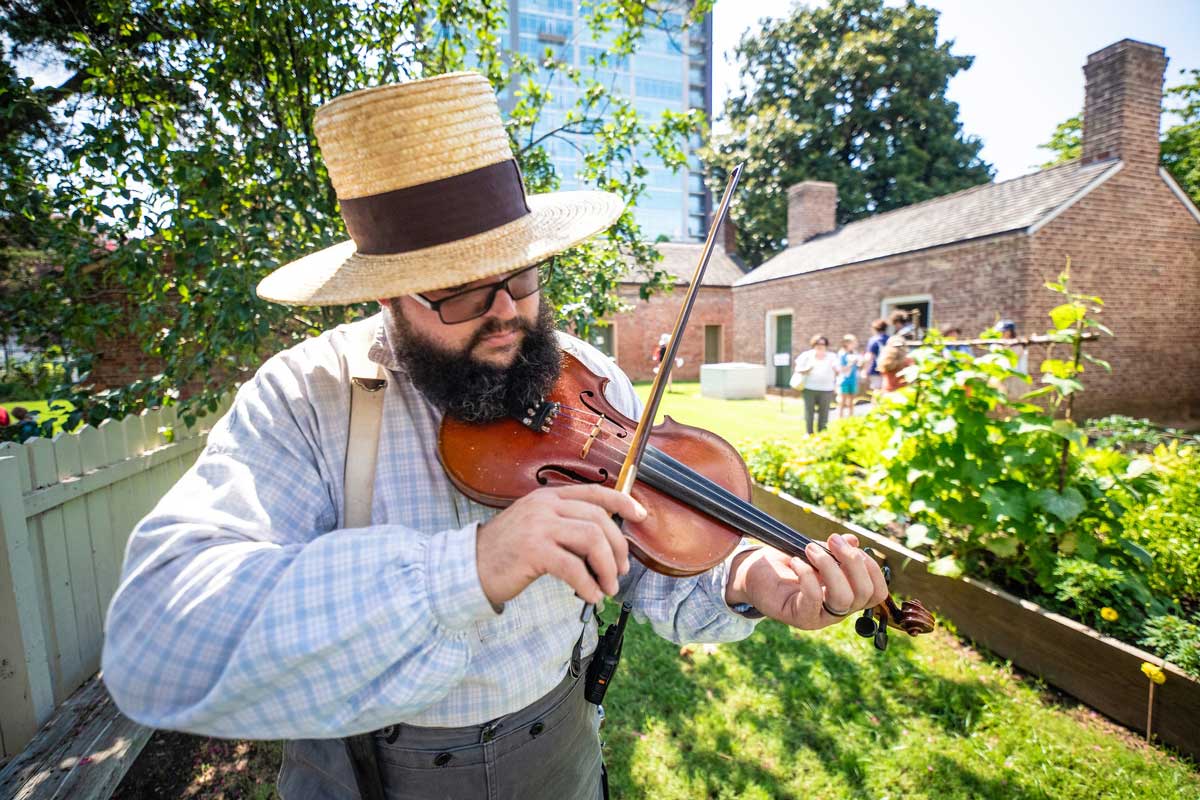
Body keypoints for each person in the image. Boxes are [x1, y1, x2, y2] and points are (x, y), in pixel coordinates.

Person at [101, 73, 888, 800]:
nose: (508, 310)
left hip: (564, 754)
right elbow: (158, 643)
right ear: (387, 296)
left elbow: (647, 558)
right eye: (458, 289)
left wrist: (749, 578)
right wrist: (471, 566)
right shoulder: (306, 395)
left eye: (521, 272)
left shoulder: (584, 374)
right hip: (375, 777)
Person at [791, 334, 838, 433]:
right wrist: (806, 370)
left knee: (824, 413)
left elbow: (837, 369)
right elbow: (797, 369)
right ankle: (809, 433)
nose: (820, 345)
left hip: (826, 389)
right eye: (817, 343)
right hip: (809, 388)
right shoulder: (806, 355)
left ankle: (822, 433)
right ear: (813, 344)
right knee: (809, 412)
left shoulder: (832, 356)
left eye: (822, 344)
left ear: (826, 345)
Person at [835, 334, 861, 419]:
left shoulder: (855, 353)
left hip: (853, 379)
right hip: (844, 380)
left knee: (852, 402)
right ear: (846, 343)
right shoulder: (842, 354)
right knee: (842, 402)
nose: (854, 344)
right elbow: (841, 369)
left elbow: (858, 365)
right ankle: (840, 419)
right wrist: (851, 363)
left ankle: (851, 419)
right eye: (853, 343)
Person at [861, 318, 889, 395]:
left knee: (876, 391)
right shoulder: (889, 339)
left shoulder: (873, 340)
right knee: (886, 390)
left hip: (876, 369)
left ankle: (876, 407)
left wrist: (865, 370)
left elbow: (869, 357)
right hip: (887, 369)